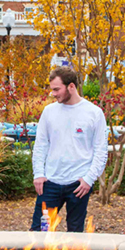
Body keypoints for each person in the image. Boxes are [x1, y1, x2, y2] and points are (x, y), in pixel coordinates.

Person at [31, 67, 108, 232]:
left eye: (57, 89)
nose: (53, 93)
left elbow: (101, 151)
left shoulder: (94, 113)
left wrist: (89, 179)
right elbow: (40, 145)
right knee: (41, 231)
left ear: (71, 87)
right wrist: (38, 174)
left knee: (75, 233)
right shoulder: (49, 112)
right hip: (49, 184)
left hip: (78, 185)